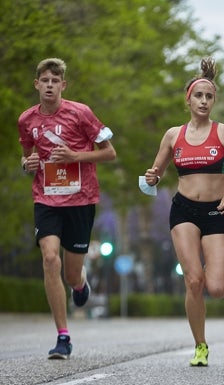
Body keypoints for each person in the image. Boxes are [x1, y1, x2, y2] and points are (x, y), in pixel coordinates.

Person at [143, 57, 224, 366]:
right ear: (189, 99)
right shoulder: (173, 135)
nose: (204, 101)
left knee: (218, 288)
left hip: (216, 213)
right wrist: (152, 176)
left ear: (214, 100)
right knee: (193, 281)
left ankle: (222, 250)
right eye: (199, 95)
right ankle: (200, 346)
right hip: (183, 211)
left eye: (209, 96)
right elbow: (156, 171)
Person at [18, 58, 117, 359]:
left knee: (72, 274)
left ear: (63, 85)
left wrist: (74, 156)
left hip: (81, 199)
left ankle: (81, 282)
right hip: (46, 199)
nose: (49, 85)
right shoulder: (26, 120)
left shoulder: (81, 113)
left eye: (55, 81)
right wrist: (27, 164)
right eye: (44, 80)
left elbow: (109, 153)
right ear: (37, 84)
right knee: (50, 259)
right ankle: (63, 336)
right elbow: (26, 157)